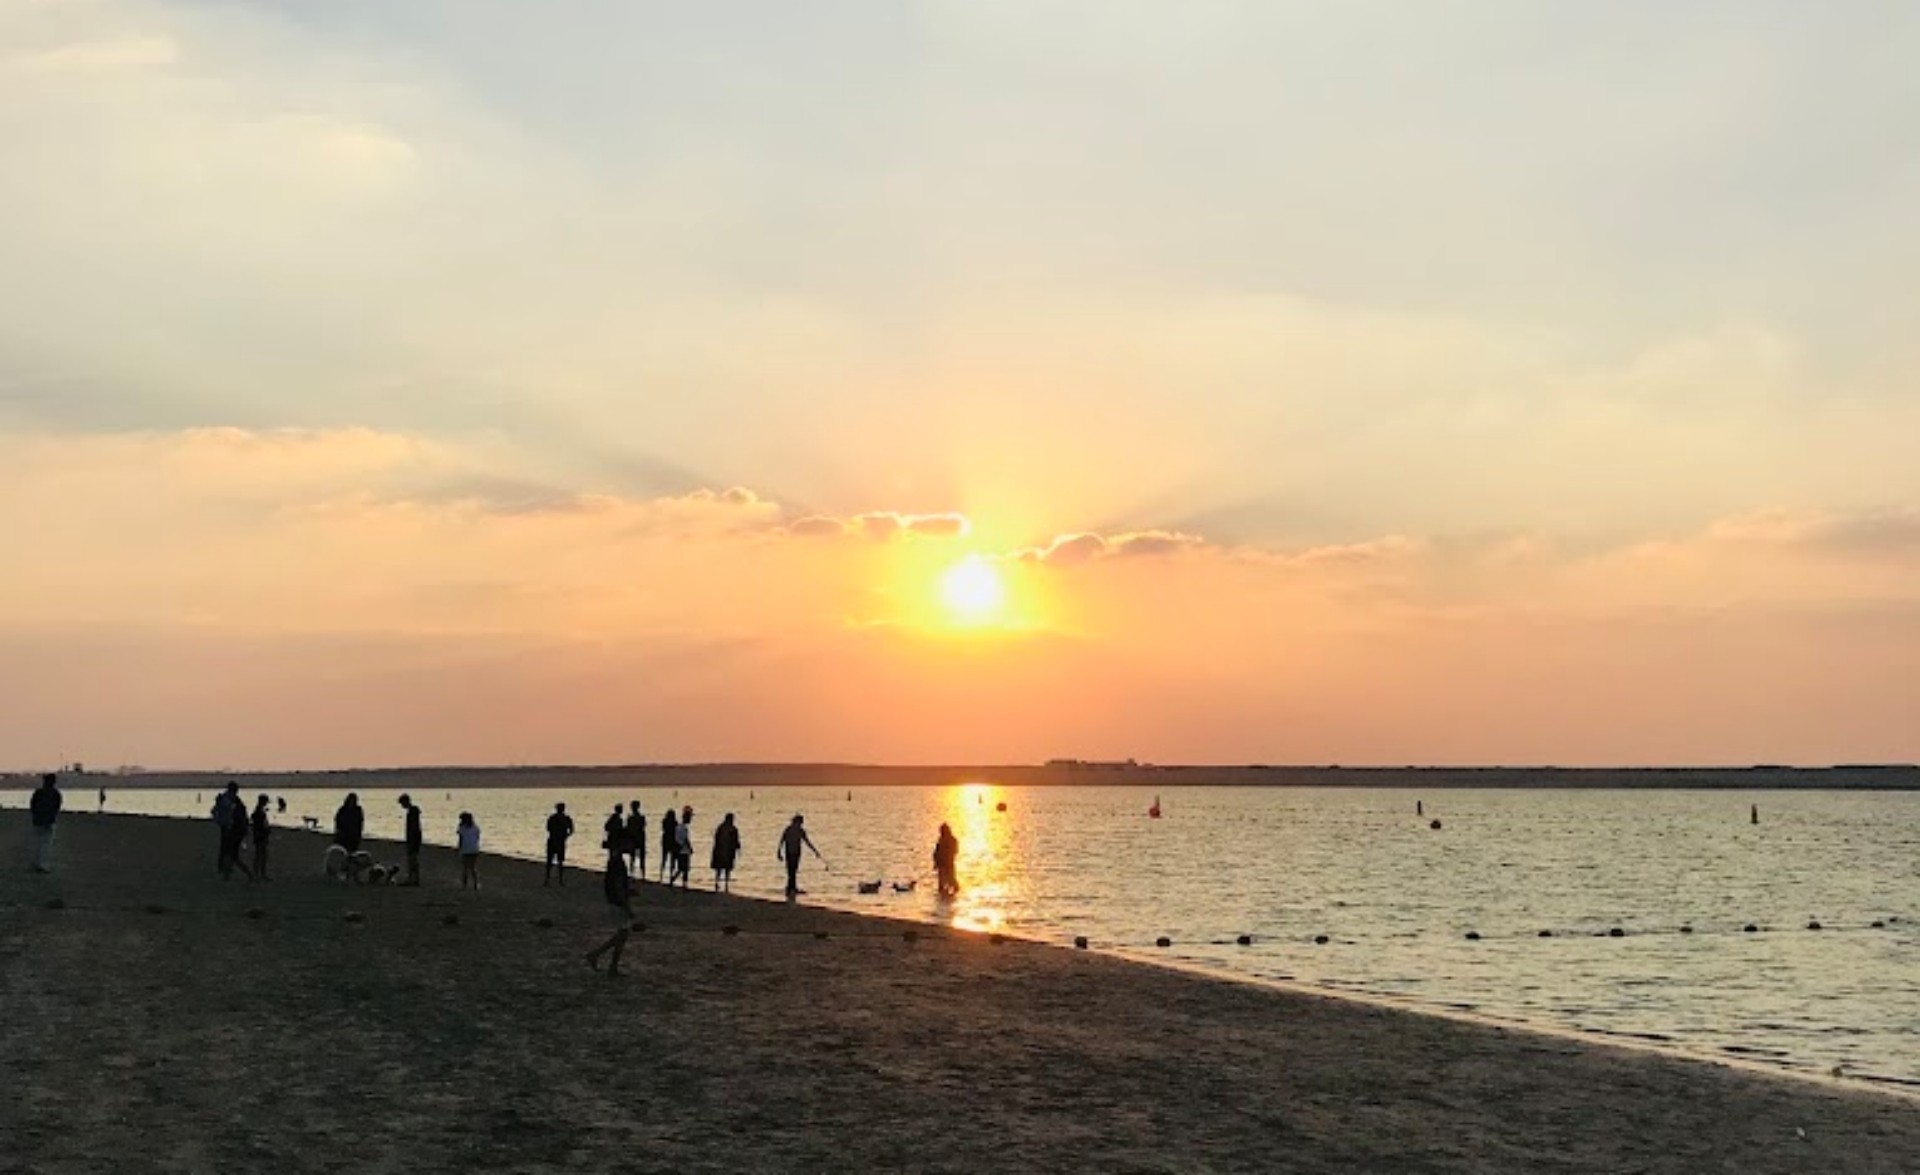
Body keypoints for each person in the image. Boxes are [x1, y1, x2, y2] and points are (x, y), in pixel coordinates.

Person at [585, 842, 635, 978]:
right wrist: (627, 906)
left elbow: (615, 883)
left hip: (614, 900)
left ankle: (600, 958)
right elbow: (618, 885)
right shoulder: (617, 862)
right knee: (622, 934)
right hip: (617, 902)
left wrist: (628, 891)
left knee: (621, 935)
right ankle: (604, 961)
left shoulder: (613, 860)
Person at [777, 814, 822, 899]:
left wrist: (815, 851)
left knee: (793, 870)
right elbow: (782, 840)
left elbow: (807, 842)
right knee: (791, 870)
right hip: (790, 852)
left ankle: (791, 887)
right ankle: (791, 888)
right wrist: (779, 852)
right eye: (801, 822)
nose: (801, 823)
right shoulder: (789, 829)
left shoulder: (798, 830)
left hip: (795, 852)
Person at [28, 773, 61, 873]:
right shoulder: (56, 793)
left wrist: (35, 816)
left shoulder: (38, 792)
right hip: (49, 821)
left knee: (37, 842)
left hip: (37, 821)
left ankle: (35, 863)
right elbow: (57, 807)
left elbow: (32, 805)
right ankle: (43, 864)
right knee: (46, 844)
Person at [217, 792, 253, 882]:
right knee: (232, 856)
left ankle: (247, 874)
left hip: (234, 835)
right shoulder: (237, 808)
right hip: (235, 834)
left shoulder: (236, 809)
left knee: (232, 856)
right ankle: (228, 874)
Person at [211, 782, 243, 873]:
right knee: (226, 847)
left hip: (226, 825)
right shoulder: (227, 799)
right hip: (227, 826)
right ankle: (223, 867)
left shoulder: (226, 798)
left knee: (225, 847)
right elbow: (228, 811)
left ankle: (223, 867)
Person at [544, 802, 575, 886]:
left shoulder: (553, 818)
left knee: (551, 860)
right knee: (559, 861)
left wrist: (564, 836)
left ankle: (548, 879)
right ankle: (559, 880)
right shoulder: (565, 818)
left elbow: (548, 828)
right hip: (559, 841)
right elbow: (571, 830)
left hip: (554, 840)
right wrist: (565, 836)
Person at [710, 812, 741, 891]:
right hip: (727, 851)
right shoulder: (732, 829)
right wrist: (738, 849)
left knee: (720, 869)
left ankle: (718, 883)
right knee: (726, 869)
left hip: (722, 851)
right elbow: (736, 841)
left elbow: (716, 838)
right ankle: (725, 884)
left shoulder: (721, 827)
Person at [399, 794, 423, 886]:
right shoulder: (412, 811)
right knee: (412, 859)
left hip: (414, 838)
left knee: (412, 859)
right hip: (414, 837)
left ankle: (414, 879)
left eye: (402, 803)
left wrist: (411, 840)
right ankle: (413, 878)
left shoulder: (412, 812)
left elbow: (413, 827)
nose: (402, 806)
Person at [933, 822, 961, 898]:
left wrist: (947, 859)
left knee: (951, 881)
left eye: (942, 831)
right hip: (942, 864)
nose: (941, 832)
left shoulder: (951, 840)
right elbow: (936, 852)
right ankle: (944, 894)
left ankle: (952, 893)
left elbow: (954, 851)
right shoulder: (941, 840)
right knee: (942, 884)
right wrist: (936, 862)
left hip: (947, 864)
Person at [250, 794, 273, 881]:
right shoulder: (259, 811)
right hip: (260, 836)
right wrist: (266, 830)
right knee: (260, 855)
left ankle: (260, 873)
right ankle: (259, 874)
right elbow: (260, 824)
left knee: (261, 855)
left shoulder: (259, 810)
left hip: (260, 835)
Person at [671, 805, 694, 889]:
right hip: (684, 850)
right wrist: (690, 848)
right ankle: (684, 884)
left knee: (681, 868)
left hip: (679, 849)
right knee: (685, 869)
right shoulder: (684, 828)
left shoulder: (678, 827)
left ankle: (673, 879)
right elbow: (685, 839)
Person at [457, 812, 482, 889]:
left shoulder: (462, 828)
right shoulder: (476, 828)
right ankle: (476, 883)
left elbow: (461, 839)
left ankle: (464, 884)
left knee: (465, 868)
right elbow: (477, 838)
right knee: (473, 867)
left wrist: (459, 848)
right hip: (474, 849)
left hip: (465, 849)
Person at [624, 802, 647, 878]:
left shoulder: (631, 818)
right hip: (640, 839)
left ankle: (631, 873)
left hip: (633, 839)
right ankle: (643, 875)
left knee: (632, 857)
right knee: (641, 858)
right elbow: (643, 826)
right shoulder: (641, 818)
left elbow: (627, 829)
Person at [658, 806, 679, 883]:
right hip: (672, 841)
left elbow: (663, 829)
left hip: (665, 840)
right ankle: (671, 875)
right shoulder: (675, 822)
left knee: (664, 858)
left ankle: (661, 875)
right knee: (672, 860)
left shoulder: (664, 821)